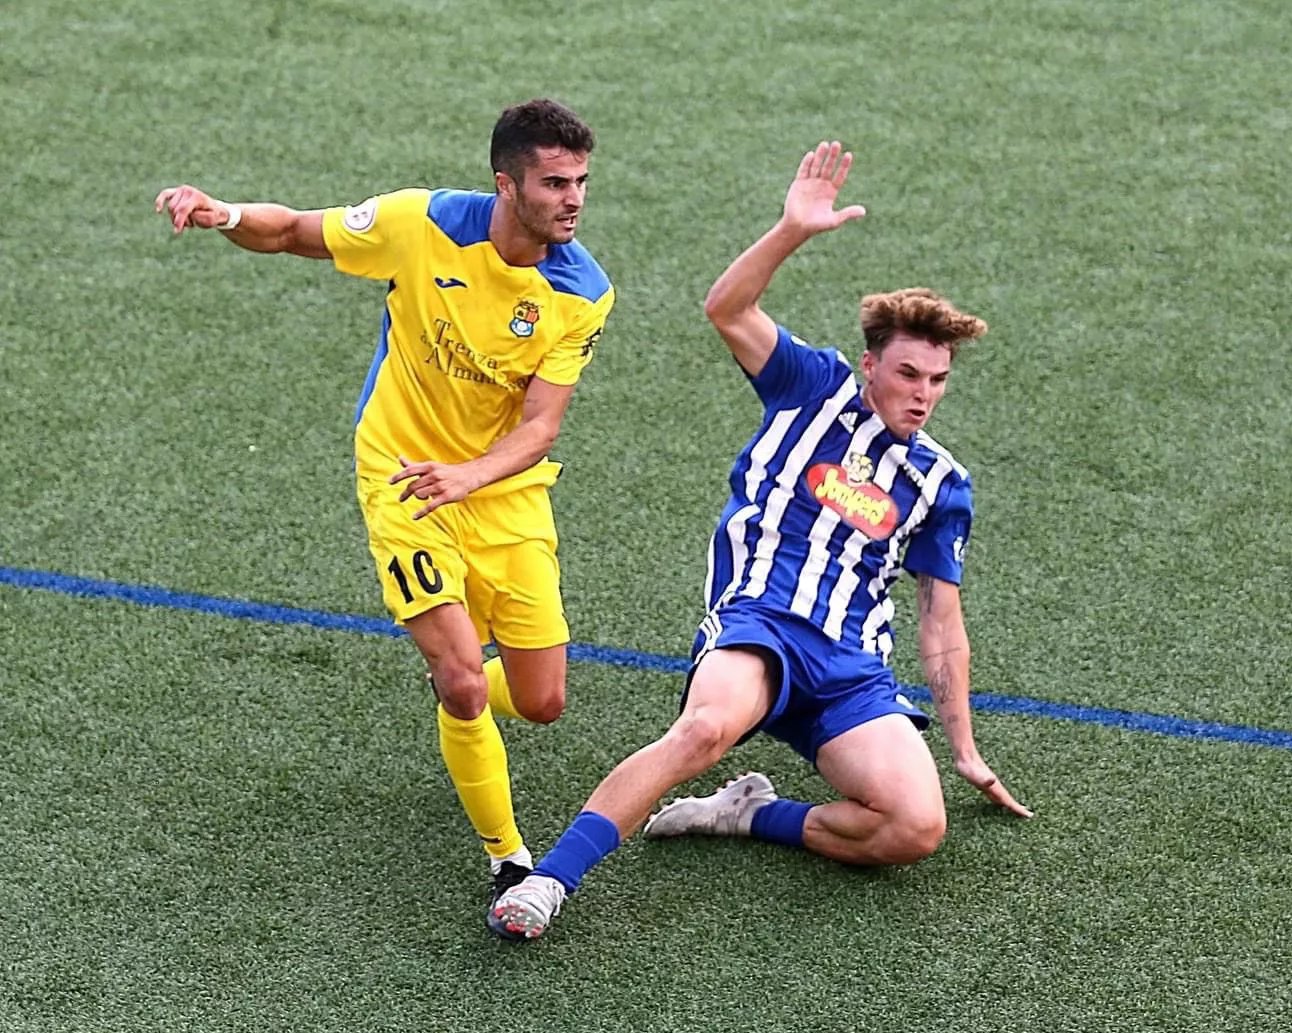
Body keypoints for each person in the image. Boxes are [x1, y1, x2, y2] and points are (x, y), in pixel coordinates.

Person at [488, 140, 1029, 941]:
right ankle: (549, 883)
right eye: (909, 374)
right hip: (762, 624)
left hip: (850, 669)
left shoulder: (941, 481)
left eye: (938, 380)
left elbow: (939, 621)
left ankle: (749, 815)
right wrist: (790, 231)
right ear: (873, 362)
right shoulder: (813, 384)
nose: (923, 395)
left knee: (915, 828)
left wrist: (965, 747)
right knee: (704, 731)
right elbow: (726, 308)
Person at [153, 99, 616, 902]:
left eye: (580, 180)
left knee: (542, 702)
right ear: (506, 184)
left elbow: (541, 425)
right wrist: (220, 212)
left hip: (503, 495)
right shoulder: (418, 223)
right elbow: (294, 230)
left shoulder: (582, 292)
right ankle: (508, 857)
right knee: (469, 682)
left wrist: (470, 476)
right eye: (554, 183)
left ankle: (454, 688)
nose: (573, 198)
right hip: (402, 477)